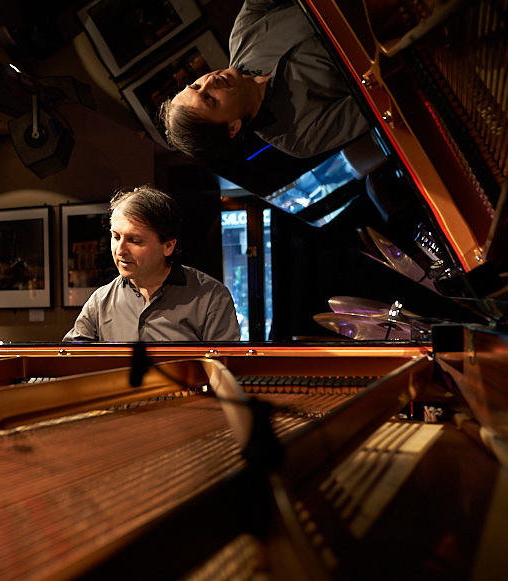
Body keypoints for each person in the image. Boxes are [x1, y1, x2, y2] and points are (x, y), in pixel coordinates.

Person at [159, 0, 370, 162]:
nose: (210, 81)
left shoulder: (242, 35)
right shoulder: (299, 137)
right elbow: (377, 101)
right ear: (232, 128)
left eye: (196, 85)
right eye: (210, 99)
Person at [63, 186, 240, 342]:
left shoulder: (211, 297)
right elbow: (71, 362)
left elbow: (224, 370)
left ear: (168, 246)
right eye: (116, 237)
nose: (120, 250)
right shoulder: (100, 301)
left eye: (135, 241)